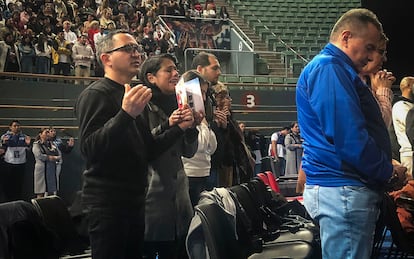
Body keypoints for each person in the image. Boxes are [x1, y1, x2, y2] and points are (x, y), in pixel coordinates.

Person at [296, 8, 401, 258]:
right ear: (346, 37)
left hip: (343, 189)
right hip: (342, 189)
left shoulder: (337, 69)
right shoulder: (329, 68)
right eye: (369, 48)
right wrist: (387, 171)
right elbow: (349, 137)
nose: (372, 57)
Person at [75, 30, 184, 259]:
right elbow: (89, 149)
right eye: (127, 49)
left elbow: (149, 150)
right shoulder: (96, 94)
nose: (136, 53)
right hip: (108, 205)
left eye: (137, 49)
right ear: (106, 58)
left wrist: (178, 129)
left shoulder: (135, 96)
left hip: (135, 201)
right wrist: (125, 114)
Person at [138, 54, 199, 259]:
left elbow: (188, 152)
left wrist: (191, 128)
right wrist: (169, 125)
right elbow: (142, 147)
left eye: (176, 69)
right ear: (151, 77)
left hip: (180, 202)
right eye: (168, 70)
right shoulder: (140, 106)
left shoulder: (180, 103)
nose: (175, 74)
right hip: (152, 201)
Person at [180, 70, 218, 207]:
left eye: (204, 93)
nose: (202, 97)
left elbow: (212, 147)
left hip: (204, 172)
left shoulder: (202, 115)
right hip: (190, 173)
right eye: (200, 92)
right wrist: (202, 124)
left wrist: (205, 124)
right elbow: (199, 146)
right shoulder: (183, 112)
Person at [0, 120, 31, 202]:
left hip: (21, 163)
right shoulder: (5, 136)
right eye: (15, 126)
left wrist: (28, 144)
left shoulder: (25, 137)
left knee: (19, 184)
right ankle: (7, 201)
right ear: (10, 127)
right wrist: (4, 143)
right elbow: (2, 150)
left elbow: (29, 150)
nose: (17, 127)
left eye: (18, 126)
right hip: (9, 163)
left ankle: (17, 201)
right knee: (8, 184)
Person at [392, 76, 414, 179]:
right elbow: (410, 125)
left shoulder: (410, 106)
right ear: (409, 86)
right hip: (409, 154)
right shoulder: (401, 105)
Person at [32, 128, 61, 198]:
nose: (48, 134)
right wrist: (50, 158)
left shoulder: (51, 144)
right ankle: (39, 208)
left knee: (51, 191)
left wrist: (55, 157)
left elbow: (58, 154)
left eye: (48, 132)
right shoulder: (37, 144)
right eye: (46, 132)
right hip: (41, 170)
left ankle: (49, 207)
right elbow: (39, 155)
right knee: (40, 191)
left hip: (51, 170)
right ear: (40, 134)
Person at [48, 127, 75, 192]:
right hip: (47, 163)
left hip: (57, 163)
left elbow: (66, 151)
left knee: (56, 178)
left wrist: (70, 146)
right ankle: (46, 195)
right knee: (47, 179)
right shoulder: (45, 141)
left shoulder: (58, 141)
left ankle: (55, 194)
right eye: (51, 131)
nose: (53, 132)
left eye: (54, 131)